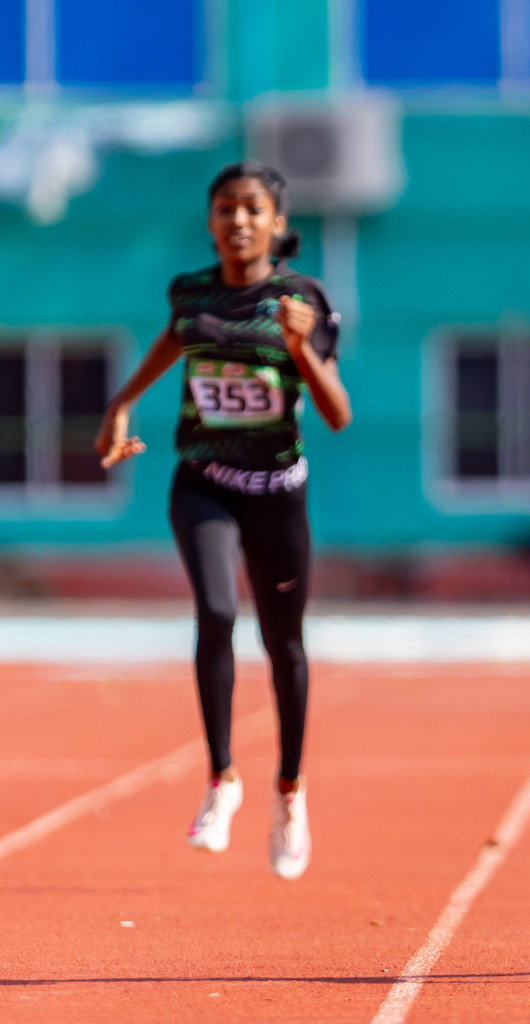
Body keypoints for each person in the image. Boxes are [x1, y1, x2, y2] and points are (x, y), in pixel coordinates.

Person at [94, 162, 351, 880]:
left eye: (251, 209)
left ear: (276, 223)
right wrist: (120, 405)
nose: (237, 220)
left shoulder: (304, 299)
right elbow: (173, 341)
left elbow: (336, 414)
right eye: (224, 209)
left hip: (278, 491)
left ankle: (290, 791)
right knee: (214, 613)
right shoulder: (190, 291)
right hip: (202, 482)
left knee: (284, 646)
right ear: (210, 222)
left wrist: (300, 344)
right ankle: (222, 780)